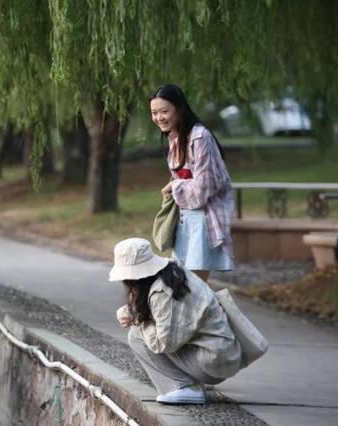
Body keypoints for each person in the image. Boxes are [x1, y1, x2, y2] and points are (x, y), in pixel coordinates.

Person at [110, 237, 242, 405]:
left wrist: (137, 319)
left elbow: (164, 344)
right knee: (140, 332)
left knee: (136, 336)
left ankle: (184, 387)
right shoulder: (173, 273)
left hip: (213, 362)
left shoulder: (163, 292)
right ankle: (186, 386)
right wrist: (134, 310)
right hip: (220, 355)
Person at [150, 84, 234, 281]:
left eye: (164, 111)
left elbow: (205, 186)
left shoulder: (199, 137)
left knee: (195, 287)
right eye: (154, 113)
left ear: (179, 109)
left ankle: (224, 312)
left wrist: (175, 186)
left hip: (204, 219)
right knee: (187, 285)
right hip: (185, 219)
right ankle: (218, 311)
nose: (159, 117)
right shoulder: (174, 137)